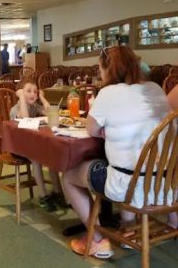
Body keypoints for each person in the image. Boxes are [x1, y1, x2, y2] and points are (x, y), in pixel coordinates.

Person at [62, 45, 175, 259]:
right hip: (165, 185)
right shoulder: (155, 88)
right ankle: (130, 230)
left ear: (107, 68)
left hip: (129, 185)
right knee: (128, 165)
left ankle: (96, 240)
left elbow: (91, 129)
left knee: (69, 175)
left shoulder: (107, 93)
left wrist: (108, 128)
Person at [10, 80, 62, 212]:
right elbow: (25, 119)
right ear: (20, 93)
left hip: (33, 144)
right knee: (37, 158)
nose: (33, 94)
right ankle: (43, 196)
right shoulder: (16, 109)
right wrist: (21, 97)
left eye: (35, 91)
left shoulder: (34, 106)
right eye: (28, 91)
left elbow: (50, 112)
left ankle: (57, 192)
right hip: (16, 146)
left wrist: (43, 98)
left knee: (51, 154)